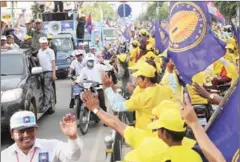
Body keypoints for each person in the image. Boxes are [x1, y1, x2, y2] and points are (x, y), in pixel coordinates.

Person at [82, 91, 226, 162]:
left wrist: (96, 109)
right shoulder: (195, 152)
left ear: (163, 132)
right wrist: (195, 124)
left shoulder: (146, 141)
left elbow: (117, 124)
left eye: (157, 121)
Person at [103, 60, 175, 130]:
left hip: (145, 134)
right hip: (160, 133)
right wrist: (171, 73)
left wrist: (108, 89)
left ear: (146, 79)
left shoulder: (142, 97)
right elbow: (173, 88)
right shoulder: (165, 89)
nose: (136, 81)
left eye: (138, 78)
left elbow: (117, 106)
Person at [1, 111, 83, 162]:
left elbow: (73, 157)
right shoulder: (4, 157)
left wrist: (72, 138)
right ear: (12, 133)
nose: (26, 135)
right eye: (21, 131)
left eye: (30, 130)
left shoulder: (52, 146)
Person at [37, 37, 56, 112]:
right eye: (42, 43)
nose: (44, 44)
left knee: (47, 87)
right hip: (42, 72)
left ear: (47, 43)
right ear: (40, 44)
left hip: (49, 71)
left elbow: (53, 62)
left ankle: (46, 105)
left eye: (45, 43)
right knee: (44, 88)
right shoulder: (39, 51)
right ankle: (49, 102)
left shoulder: (50, 51)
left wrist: (54, 74)